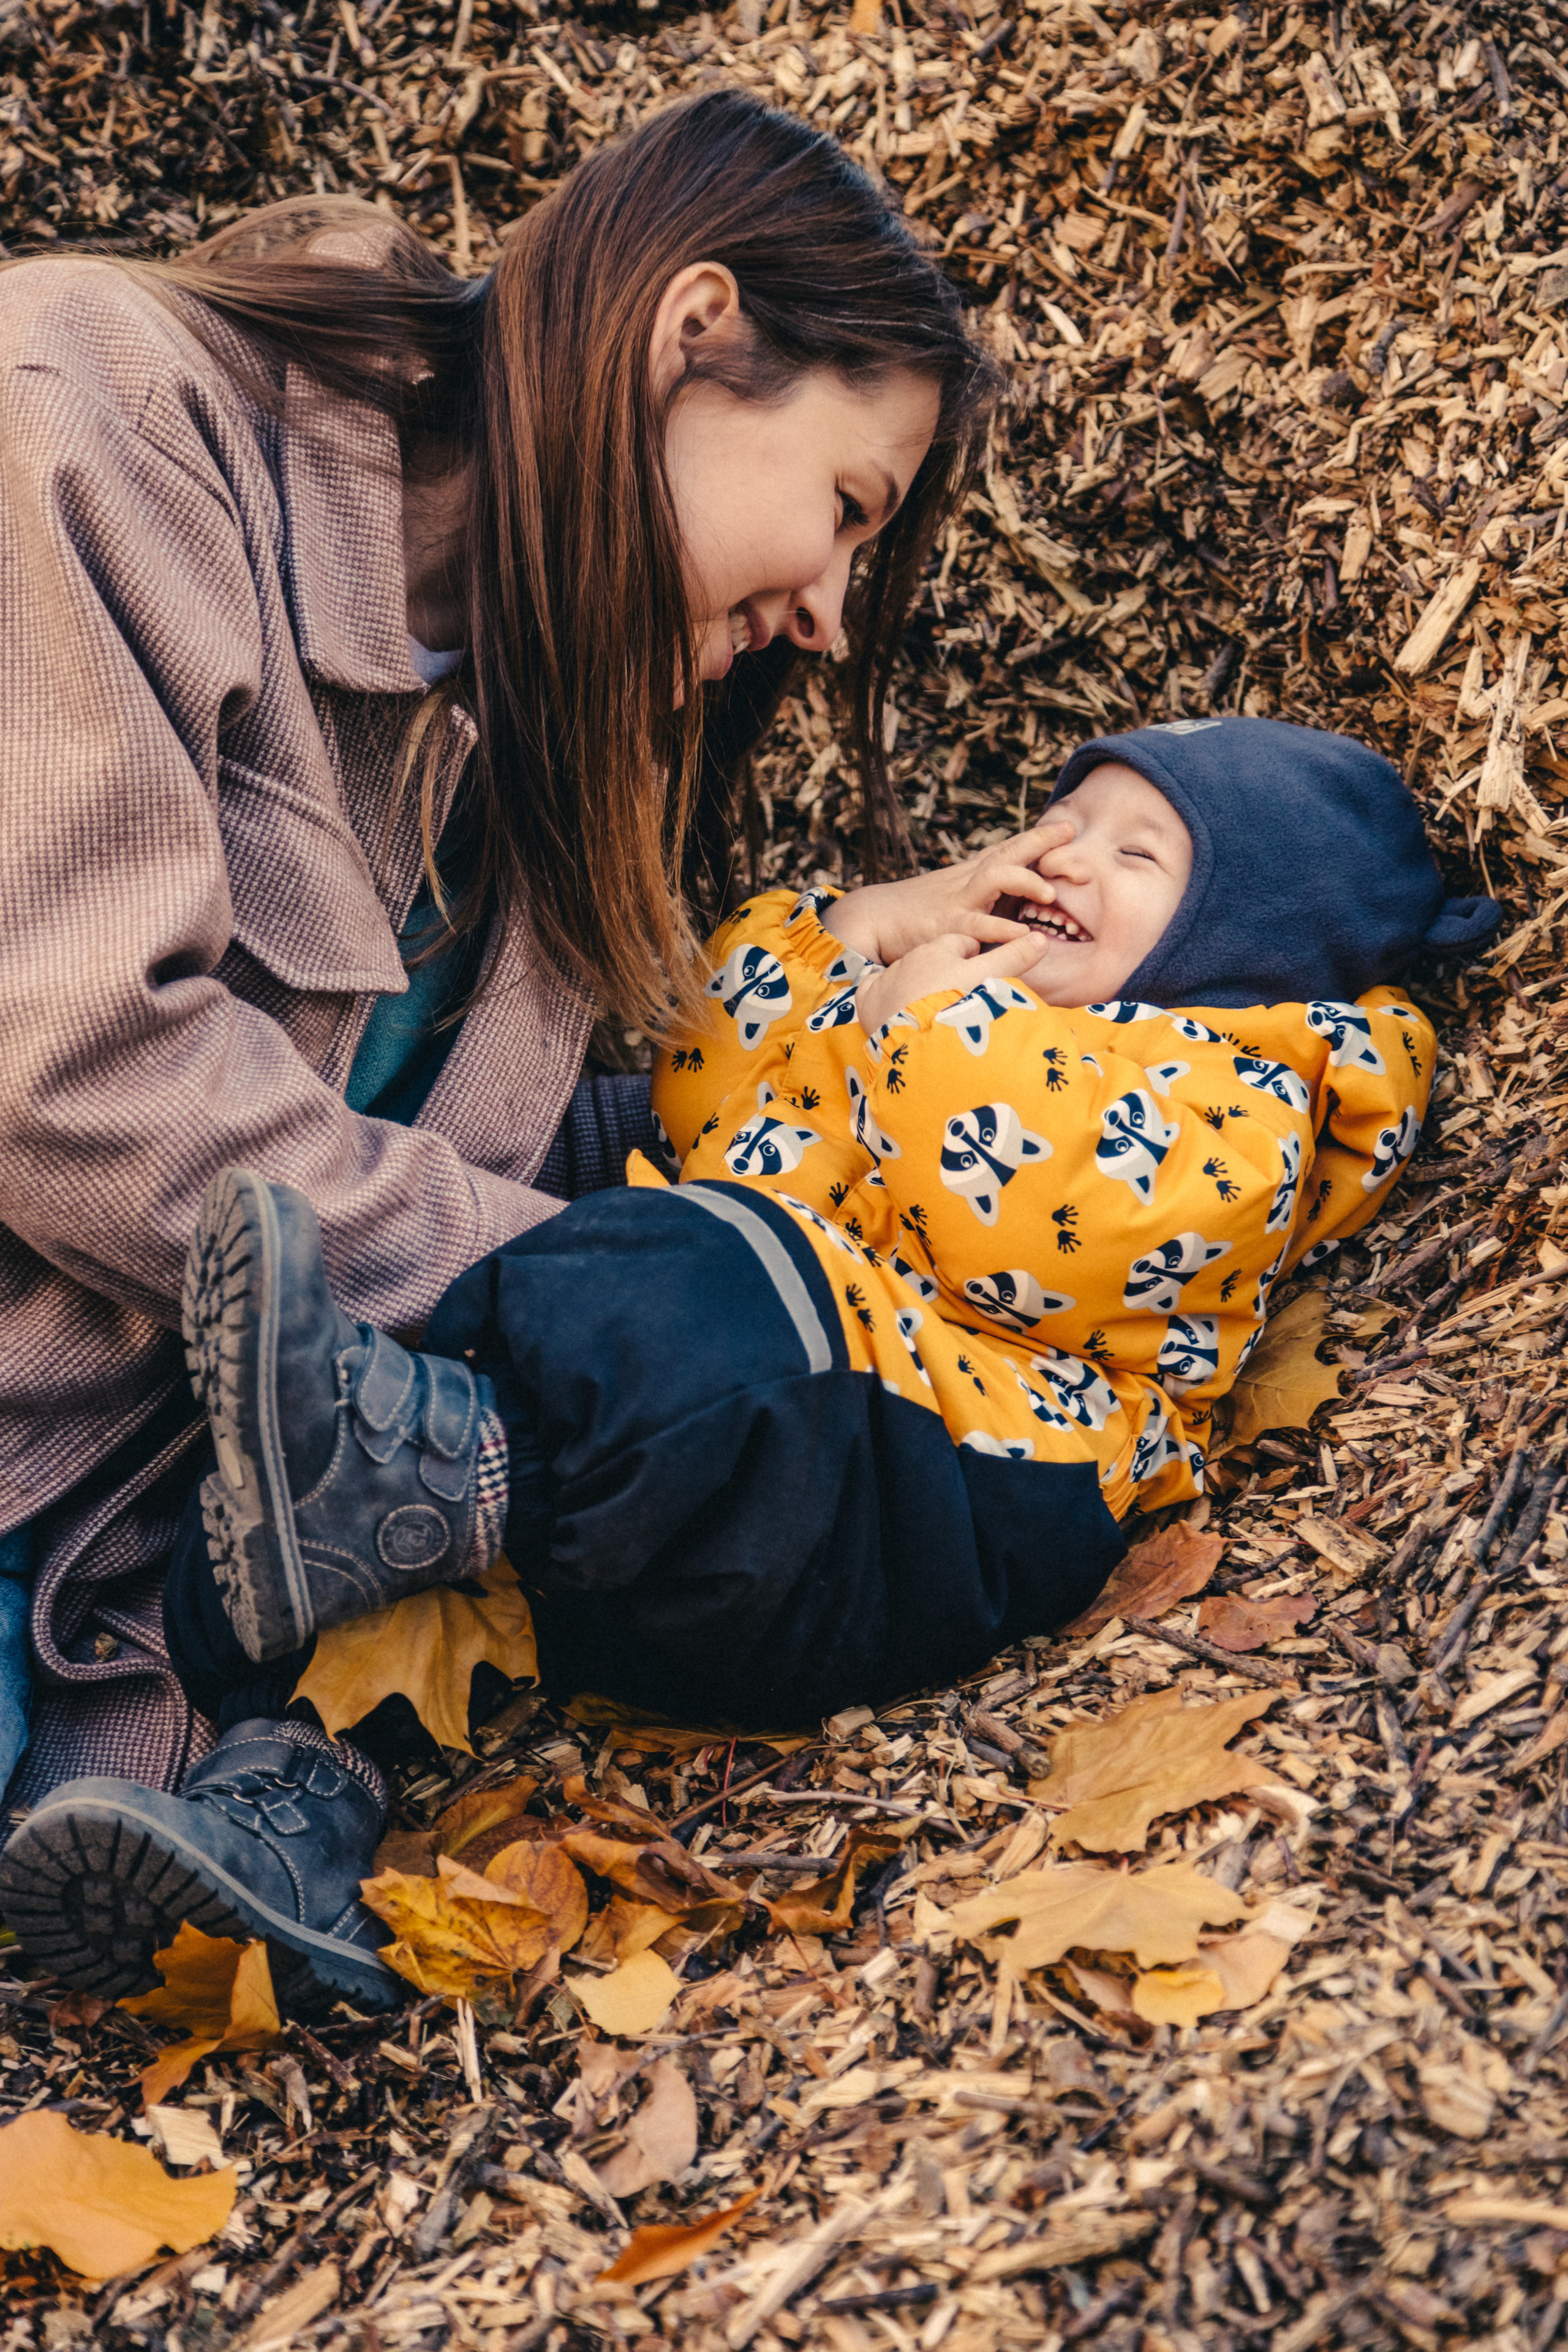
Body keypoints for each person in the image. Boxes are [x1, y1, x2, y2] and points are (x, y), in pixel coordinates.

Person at [0, 714, 1500, 2007]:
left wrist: (930, 1029)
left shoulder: (1241, 1093)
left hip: (922, 1496)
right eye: (1058, 819)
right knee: (417, 1551)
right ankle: (287, 1820)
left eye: (1134, 857)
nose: (1061, 854)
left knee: (686, 1275)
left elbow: (1033, 1231)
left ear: (1237, 950)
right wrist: (854, 942)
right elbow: (709, 1098)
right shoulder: (942, 1004)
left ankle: (428, 1468)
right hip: (699, 1479)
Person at [0, 91, 995, 1817]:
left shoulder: (550, 753)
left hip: (102, 1618)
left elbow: (456, 1153)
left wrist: (840, 1013)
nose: (835, 615)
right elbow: (73, 1069)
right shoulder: (95, 414)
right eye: (848, 503)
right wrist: (574, 1309)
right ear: (693, 333)